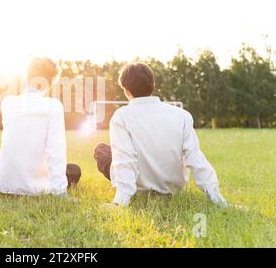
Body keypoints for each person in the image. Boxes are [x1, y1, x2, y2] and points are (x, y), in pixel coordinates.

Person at [94, 62, 227, 207]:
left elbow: (125, 160)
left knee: (102, 150)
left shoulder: (121, 116)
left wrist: (119, 203)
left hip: (139, 188)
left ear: (126, 91)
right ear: (153, 85)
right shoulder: (182, 115)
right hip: (173, 189)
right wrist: (218, 199)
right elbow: (196, 160)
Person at [0, 57, 81, 196]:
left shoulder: (7, 103)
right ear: (51, 82)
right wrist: (60, 192)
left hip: (4, 184)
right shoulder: (53, 106)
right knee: (74, 170)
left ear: (26, 77)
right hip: (35, 186)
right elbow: (55, 151)